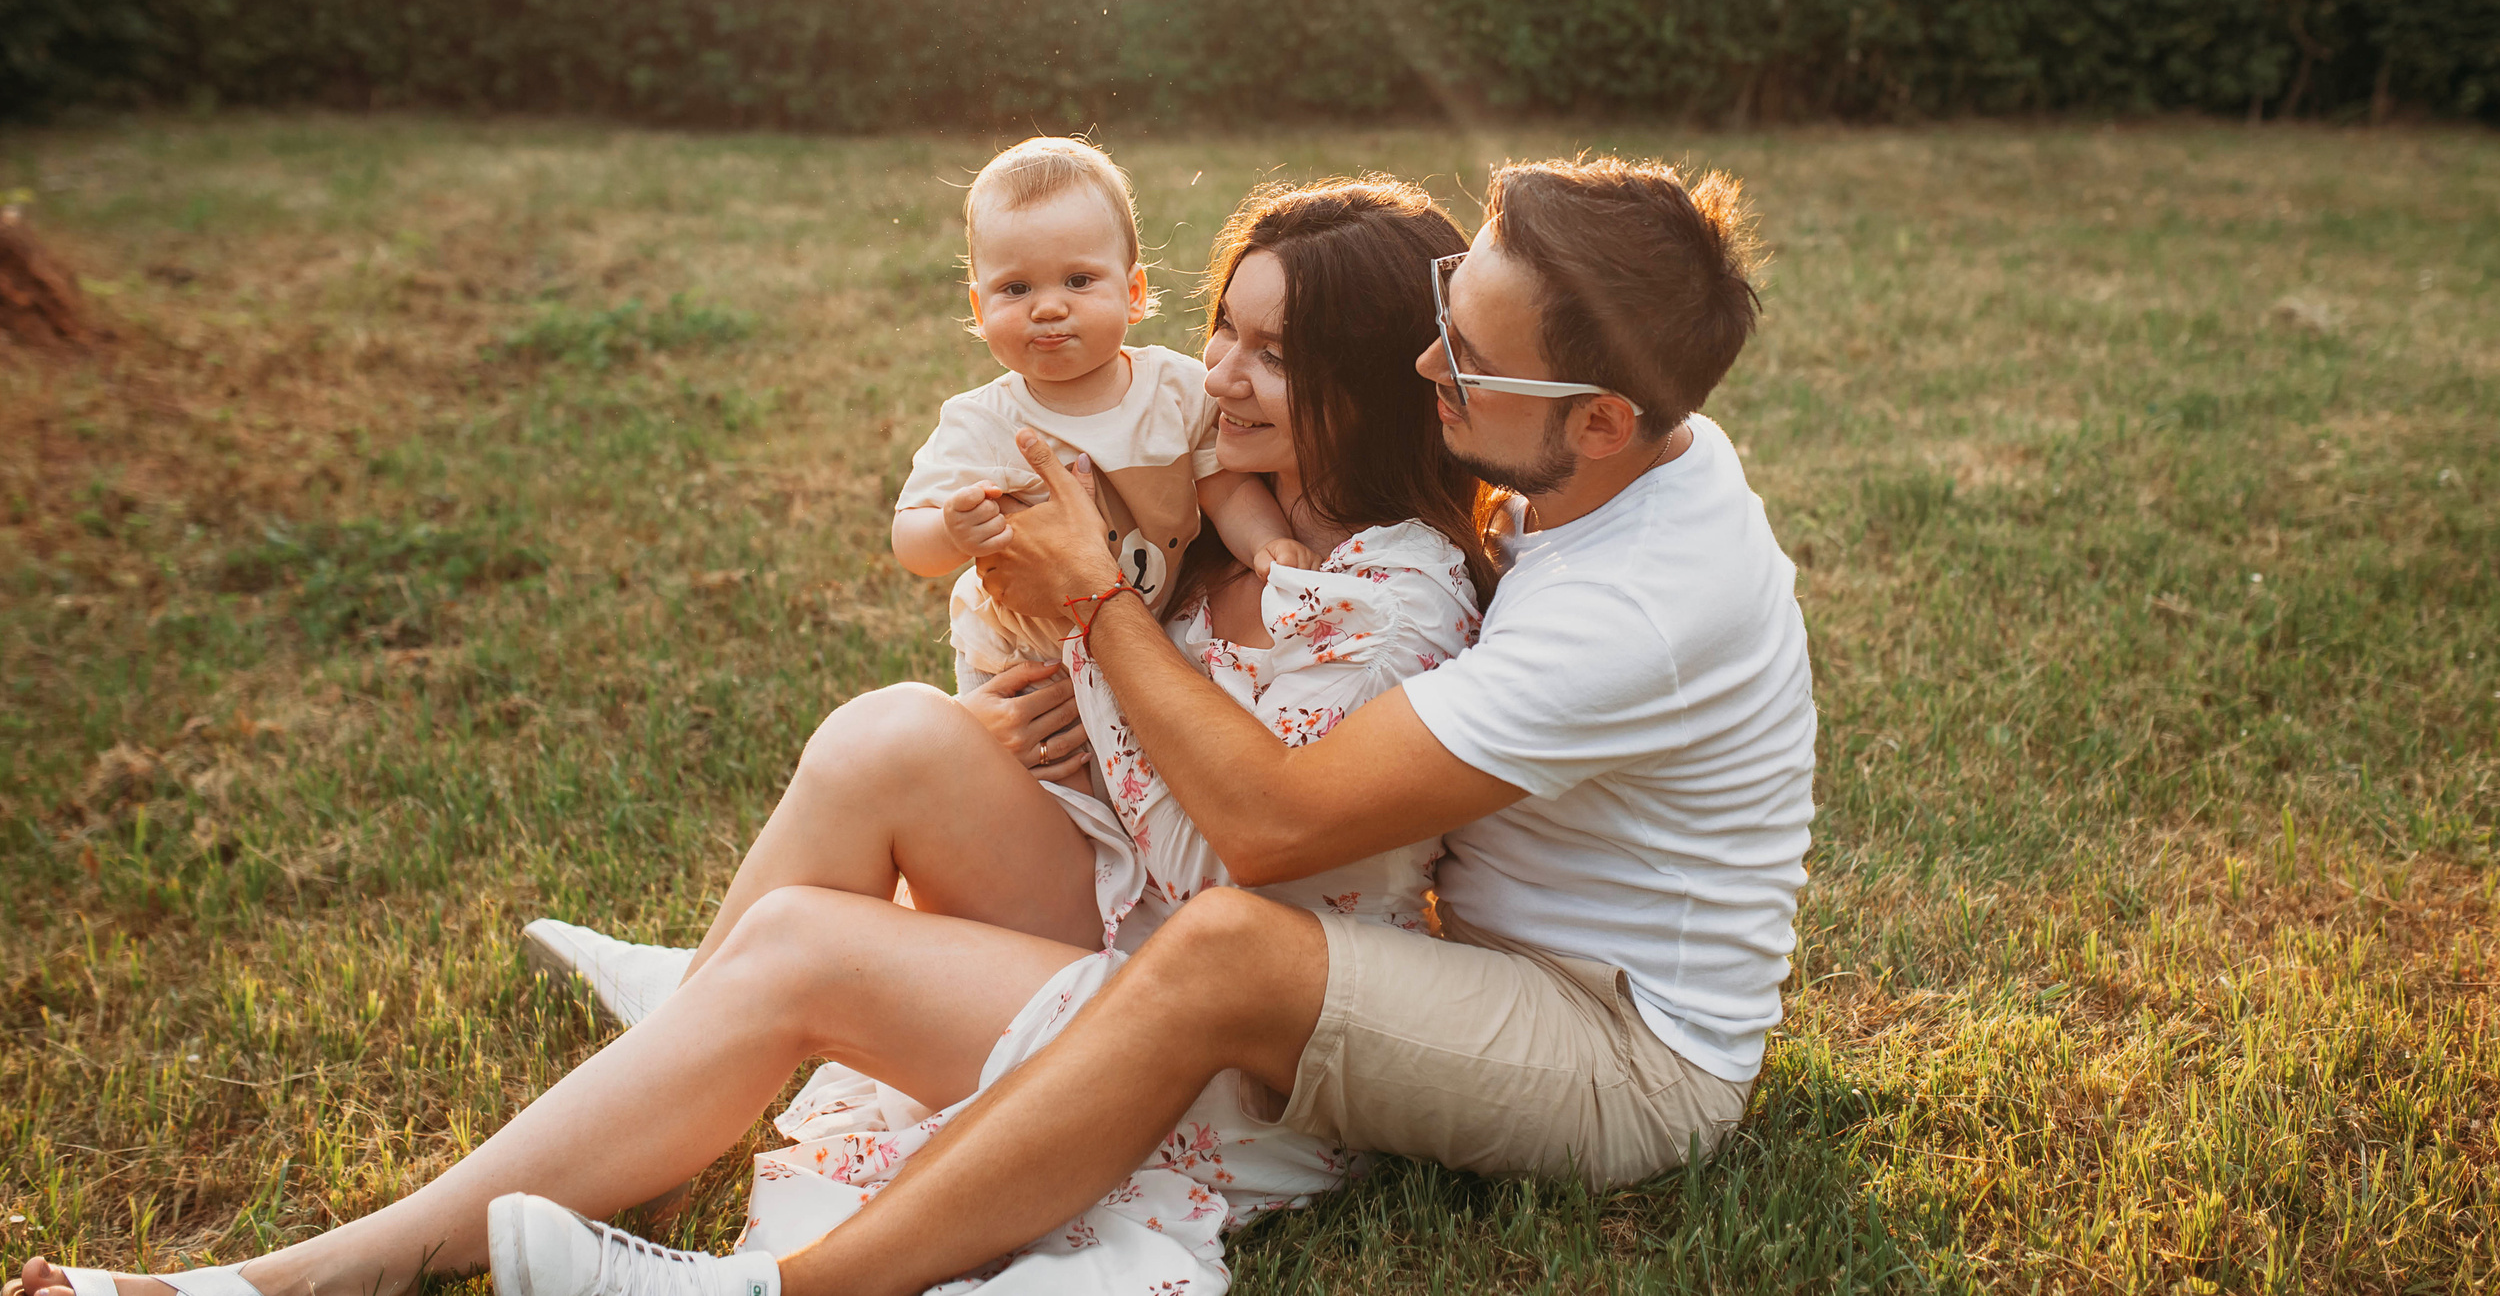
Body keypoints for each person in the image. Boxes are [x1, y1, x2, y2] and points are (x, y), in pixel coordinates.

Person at [7, 178, 1501, 1296]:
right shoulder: (1243, 507)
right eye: (1224, 333)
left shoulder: (1386, 597)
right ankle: (680, 1049)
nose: (1219, 375)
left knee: (804, 945)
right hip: (1126, 913)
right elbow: (1121, 746)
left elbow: (1224, 851)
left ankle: (296, 1277)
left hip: (1219, 1049)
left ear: (1370, 386)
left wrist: (1098, 653)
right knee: (890, 731)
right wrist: (1031, 707)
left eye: (1268, 356)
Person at [486, 154, 1819, 1296]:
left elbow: (1269, 823)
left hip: (1627, 1047)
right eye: (1439, 313)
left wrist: (1096, 612)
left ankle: (777, 1286)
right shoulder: (1617, 443)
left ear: (1596, 421)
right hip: (1463, 947)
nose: (1426, 364)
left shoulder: (1634, 605)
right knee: (901, 744)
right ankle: (691, 1028)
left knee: (1236, 942)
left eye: (1467, 357)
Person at [886, 134, 1303, 693]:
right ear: (980, 309)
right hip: (1022, 659)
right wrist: (949, 529)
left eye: (1079, 281)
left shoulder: (1175, 391)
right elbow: (909, 537)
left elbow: (1223, 488)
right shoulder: (982, 423)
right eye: (1016, 288)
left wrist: (1266, 543)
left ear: (1133, 292)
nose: (1049, 306)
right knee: (1034, 770)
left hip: (1146, 637)